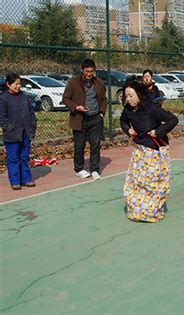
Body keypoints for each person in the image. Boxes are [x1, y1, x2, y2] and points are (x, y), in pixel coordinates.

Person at [120, 81, 178, 223]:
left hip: (154, 149)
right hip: (139, 149)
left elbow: (173, 120)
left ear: (139, 95)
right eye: (126, 96)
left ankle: (152, 211)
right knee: (136, 181)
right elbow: (123, 121)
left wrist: (158, 131)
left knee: (152, 182)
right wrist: (128, 129)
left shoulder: (151, 108)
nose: (128, 99)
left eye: (131, 95)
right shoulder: (128, 109)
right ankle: (138, 210)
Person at [63, 59, 107, 180]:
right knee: (79, 146)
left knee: (95, 145)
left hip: (95, 119)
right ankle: (78, 169)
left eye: (91, 71)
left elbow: (104, 99)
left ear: (94, 71)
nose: (89, 74)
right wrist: (76, 107)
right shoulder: (73, 82)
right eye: (87, 71)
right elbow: (66, 99)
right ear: (82, 70)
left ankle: (95, 169)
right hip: (79, 119)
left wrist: (101, 114)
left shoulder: (99, 83)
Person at [0, 73, 37, 190]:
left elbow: (31, 113)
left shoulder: (24, 96)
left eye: (20, 84)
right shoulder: (3, 98)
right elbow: (2, 117)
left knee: (24, 157)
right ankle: (15, 181)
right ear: (8, 84)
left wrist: (32, 125)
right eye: (15, 84)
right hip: (12, 134)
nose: (18, 86)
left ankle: (26, 179)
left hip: (26, 132)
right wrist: (9, 127)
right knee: (13, 158)